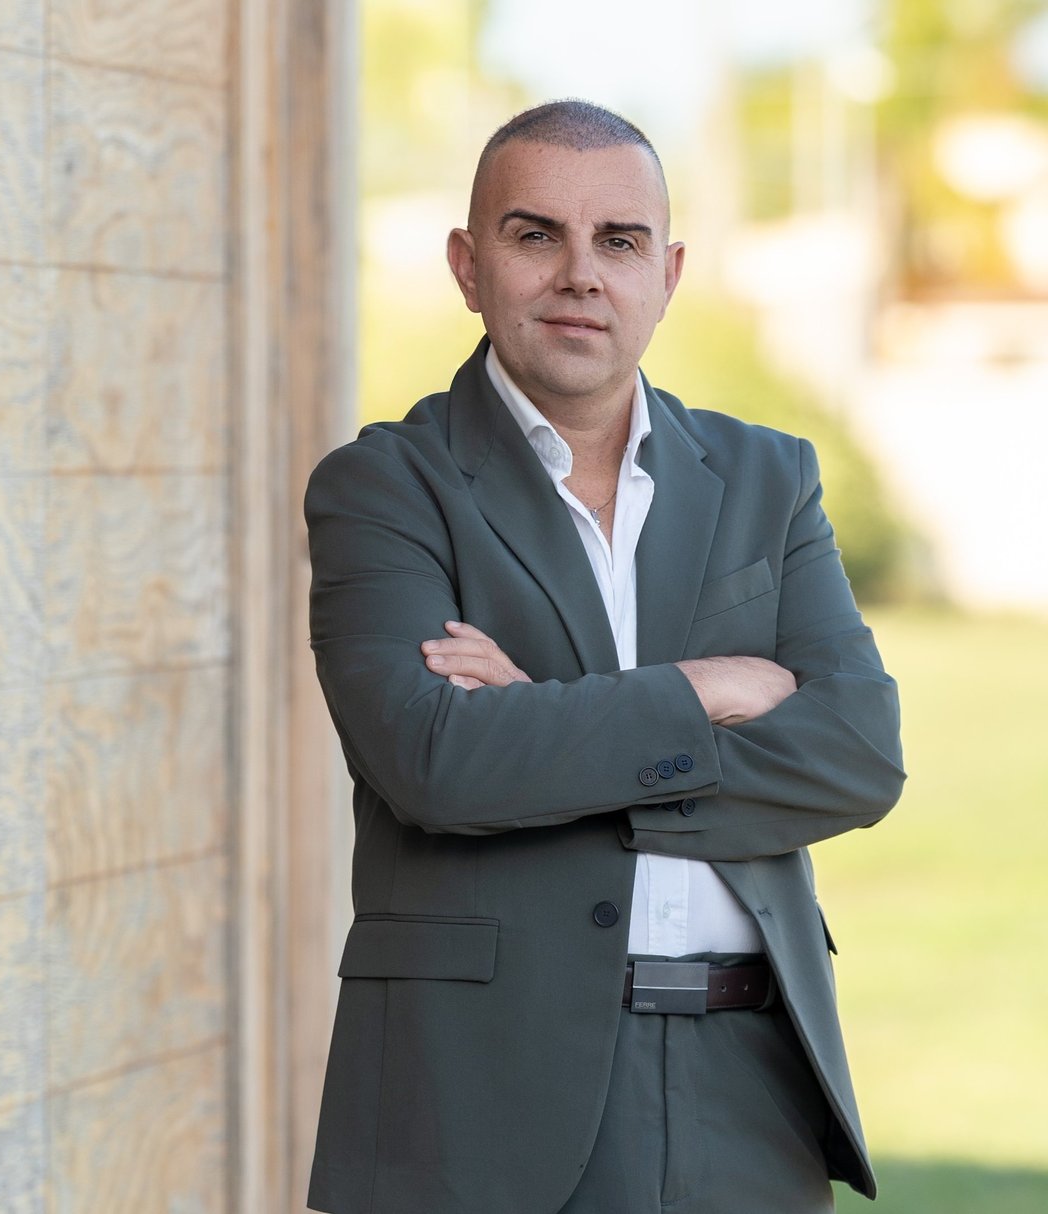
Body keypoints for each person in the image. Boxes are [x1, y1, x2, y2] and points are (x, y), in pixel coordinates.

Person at [303, 99, 905, 1214]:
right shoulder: (384, 486)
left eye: (619, 240)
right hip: (479, 1089)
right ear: (468, 265)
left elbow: (861, 753)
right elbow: (435, 761)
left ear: (667, 272)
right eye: (536, 235)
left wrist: (548, 718)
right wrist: (702, 692)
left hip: (752, 1080)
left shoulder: (769, 480)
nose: (582, 272)